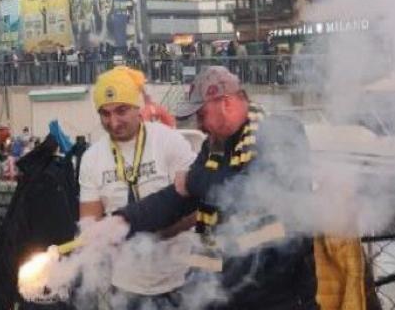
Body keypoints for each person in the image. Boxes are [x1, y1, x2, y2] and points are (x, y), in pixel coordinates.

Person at [106, 67, 318, 310]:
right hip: (226, 292)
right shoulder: (214, 147)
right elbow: (178, 197)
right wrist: (124, 221)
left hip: (279, 295)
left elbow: (249, 191)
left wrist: (194, 180)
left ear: (225, 103)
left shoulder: (281, 131)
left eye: (202, 114)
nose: (199, 125)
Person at [79, 67, 197, 308]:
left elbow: (196, 207)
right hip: (125, 288)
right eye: (105, 114)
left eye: (121, 110)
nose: (114, 122)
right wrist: (97, 237)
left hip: (180, 279)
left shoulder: (169, 140)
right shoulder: (91, 158)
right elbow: (89, 222)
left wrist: (152, 231)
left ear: (137, 107)